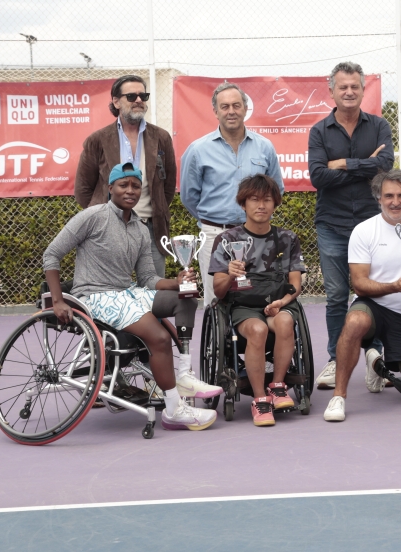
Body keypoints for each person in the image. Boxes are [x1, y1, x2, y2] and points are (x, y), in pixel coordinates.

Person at [44, 163, 220, 431]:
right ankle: (174, 410)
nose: (130, 190)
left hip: (127, 293)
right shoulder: (92, 216)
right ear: (110, 188)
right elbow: (51, 254)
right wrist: (58, 300)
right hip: (95, 297)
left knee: (185, 299)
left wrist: (178, 282)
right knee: (159, 337)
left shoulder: (139, 228)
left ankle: (184, 375)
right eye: (123, 185)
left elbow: (148, 279)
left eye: (135, 186)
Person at [323, 170, 401, 422]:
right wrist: (395, 286)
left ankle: (375, 363)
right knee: (355, 321)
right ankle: (339, 396)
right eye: (389, 195)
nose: (395, 201)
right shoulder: (363, 231)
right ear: (378, 198)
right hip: (372, 305)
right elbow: (359, 285)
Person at [308, 61, 394, 390]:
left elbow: (385, 166)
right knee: (336, 297)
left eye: (354, 86)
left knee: (375, 293)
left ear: (362, 90)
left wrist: (343, 163)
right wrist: (364, 166)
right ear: (331, 91)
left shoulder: (379, 125)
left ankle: (376, 359)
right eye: (342, 87)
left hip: (373, 226)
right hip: (332, 224)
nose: (348, 92)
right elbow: (318, 176)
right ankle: (334, 359)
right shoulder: (319, 131)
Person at [208, 175, 306, 427]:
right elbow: (218, 291)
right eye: (254, 199)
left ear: (275, 204)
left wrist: (283, 301)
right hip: (243, 307)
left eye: (267, 200)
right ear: (243, 204)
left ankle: (278, 386)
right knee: (258, 329)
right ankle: (260, 399)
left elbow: (296, 282)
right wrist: (230, 274)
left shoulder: (288, 238)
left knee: (284, 322)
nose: (261, 205)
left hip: (278, 304)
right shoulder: (226, 240)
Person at [181, 82, 284, 307]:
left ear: (245, 109)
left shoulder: (264, 147)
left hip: (256, 237)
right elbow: (189, 196)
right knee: (215, 301)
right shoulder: (198, 150)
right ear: (215, 111)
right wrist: (211, 221)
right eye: (225, 106)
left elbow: (276, 190)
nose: (231, 111)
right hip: (214, 236)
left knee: (257, 299)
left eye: (236, 105)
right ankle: (216, 343)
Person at [75, 75, 176, 277]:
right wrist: (104, 220)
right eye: (131, 96)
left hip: (150, 229)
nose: (139, 100)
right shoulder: (98, 140)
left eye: (143, 95)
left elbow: (168, 187)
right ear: (116, 101)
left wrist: (152, 211)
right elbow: (83, 190)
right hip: (108, 232)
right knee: (109, 291)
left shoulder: (161, 137)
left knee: (154, 295)